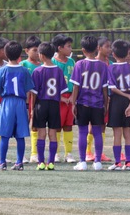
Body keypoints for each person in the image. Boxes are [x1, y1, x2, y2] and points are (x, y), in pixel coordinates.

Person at [0, 41, 34, 171]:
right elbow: (28, 91)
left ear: (6, 53)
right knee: (20, 135)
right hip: (21, 103)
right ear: (20, 54)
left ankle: (2, 163)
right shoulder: (24, 70)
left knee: (4, 134)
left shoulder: (2, 70)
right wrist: (27, 107)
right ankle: (19, 163)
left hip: (7, 103)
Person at [70, 36, 109, 171]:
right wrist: (106, 103)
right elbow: (105, 88)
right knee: (97, 132)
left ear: (83, 50)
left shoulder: (79, 64)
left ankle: (82, 161)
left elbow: (76, 87)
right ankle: (97, 161)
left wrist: (73, 103)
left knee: (82, 132)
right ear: (97, 48)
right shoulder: (103, 66)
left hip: (83, 103)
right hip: (98, 104)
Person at [30, 42, 68, 171]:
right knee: (52, 134)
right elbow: (62, 91)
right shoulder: (58, 70)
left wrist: (32, 109)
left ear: (41, 55)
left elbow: (33, 93)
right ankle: (51, 162)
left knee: (41, 133)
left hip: (41, 104)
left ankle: (41, 162)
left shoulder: (38, 71)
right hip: (54, 105)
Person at [106, 40, 130, 170]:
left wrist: (125, 96)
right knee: (127, 132)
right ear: (127, 54)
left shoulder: (111, 68)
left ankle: (118, 162)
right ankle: (129, 162)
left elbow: (112, 88)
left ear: (113, 54)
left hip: (117, 101)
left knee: (117, 133)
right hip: (128, 101)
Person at [86, 36, 112, 162]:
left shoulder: (110, 64)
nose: (109, 49)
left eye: (110, 47)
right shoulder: (94, 63)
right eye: (107, 46)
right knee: (92, 126)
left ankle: (99, 152)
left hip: (106, 98)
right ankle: (88, 152)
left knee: (103, 125)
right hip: (94, 98)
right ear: (99, 48)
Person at [52, 34, 76, 163]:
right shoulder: (53, 62)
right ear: (60, 48)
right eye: (68, 46)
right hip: (57, 99)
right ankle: (55, 153)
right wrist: (60, 97)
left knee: (69, 125)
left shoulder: (72, 62)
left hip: (70, 98)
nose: (70, 49)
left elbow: (76, 81)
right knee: (57, 126)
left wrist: (73, 96)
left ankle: (69, 153)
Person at [20, 35, 42, 163]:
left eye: (39, 50)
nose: (37, 53)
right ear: (26, 51)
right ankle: (21, 154)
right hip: (25, 100)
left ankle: (34, 154)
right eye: (34, 50)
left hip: (38, 99)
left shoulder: (42, 65)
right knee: (22, 126)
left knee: (36, 126)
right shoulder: (23, 64)